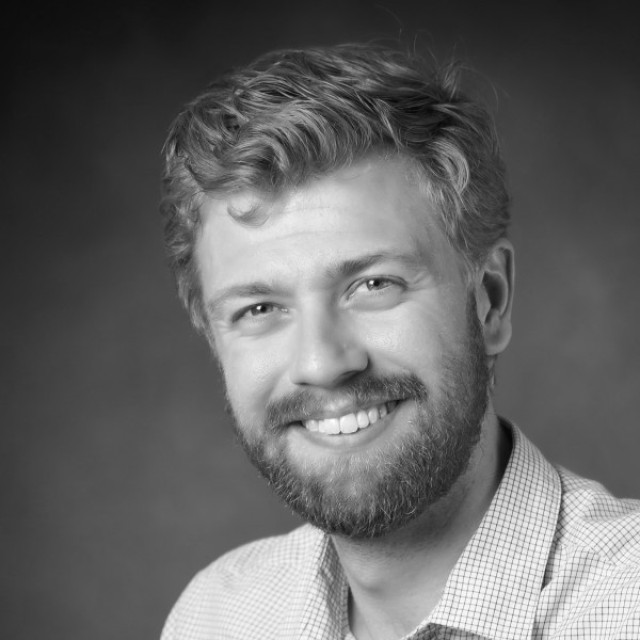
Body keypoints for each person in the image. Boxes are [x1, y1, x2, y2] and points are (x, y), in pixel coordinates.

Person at [158, 43, 640, 640]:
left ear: (489, 299)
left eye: (372, 284)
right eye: (259, 308)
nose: (322, 363)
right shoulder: (219, 614)